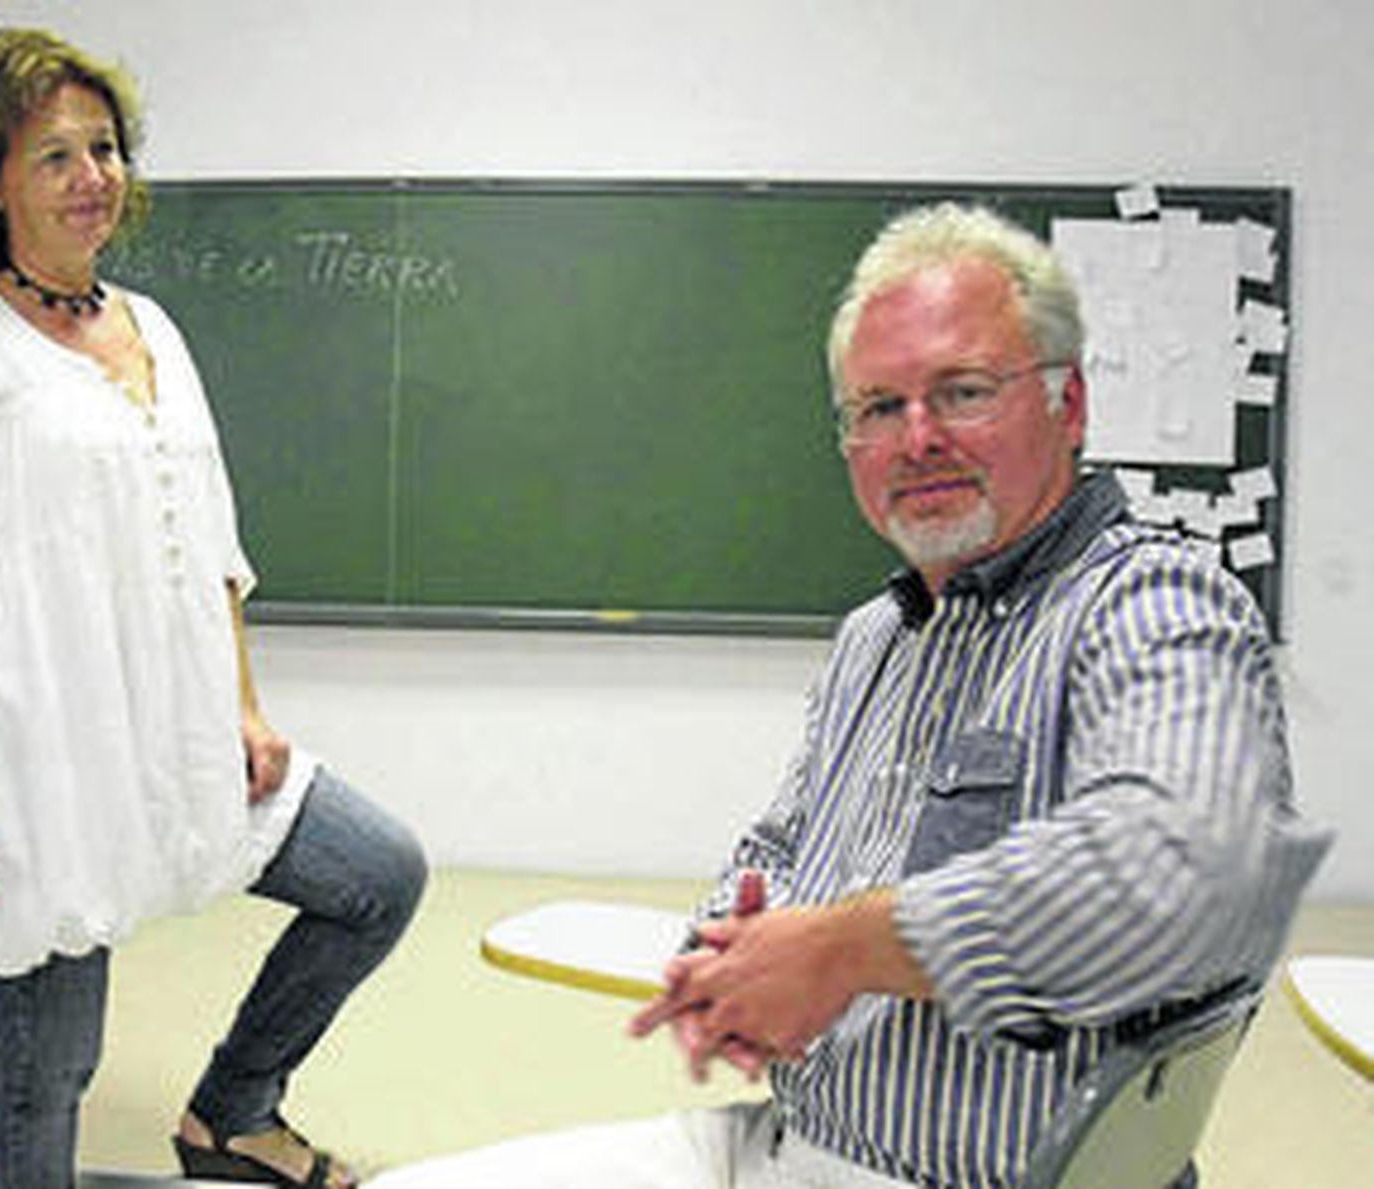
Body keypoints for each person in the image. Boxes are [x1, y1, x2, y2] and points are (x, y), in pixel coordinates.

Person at [368, 203, 1330, 1189]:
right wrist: (729, 954)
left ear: (1067, 404)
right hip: (782, 1144)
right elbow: (780, 848)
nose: (916, 438)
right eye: (877, 407)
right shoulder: (877, 635)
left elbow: (1188, 879)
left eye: (961, 391)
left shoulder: (1153, 603)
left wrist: (843, 949)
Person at [0, 28, 426, 1189]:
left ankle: (231, 1111)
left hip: (181, 727)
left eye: (103, 147)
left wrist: (246, 709)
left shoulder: (152, 325)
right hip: (42, 754)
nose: (91, 176)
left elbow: (213, 544)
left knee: (379, 875)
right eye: (52, 154)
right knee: (45, 1064)